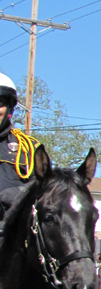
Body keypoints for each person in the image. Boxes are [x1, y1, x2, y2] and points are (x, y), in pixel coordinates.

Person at [0, 73, 40, 224]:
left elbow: (47, 193)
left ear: (10, 108)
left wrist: (21, 194)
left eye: (0, 102)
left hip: (12, 239)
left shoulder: (29, 149)